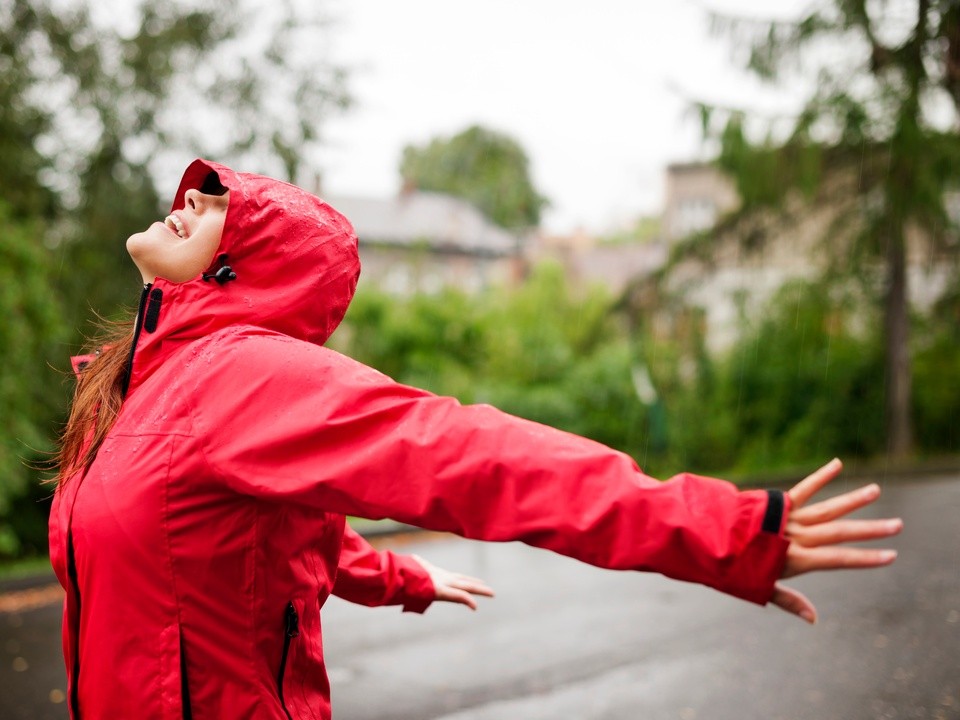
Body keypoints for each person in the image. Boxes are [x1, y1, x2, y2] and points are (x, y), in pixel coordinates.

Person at [50, 159, 902, 720]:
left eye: (216, 205)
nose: (188, 201)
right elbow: (243, 535)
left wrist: (722, 532)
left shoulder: (242, 378)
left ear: (250, 265)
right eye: (193, 194)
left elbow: (474, 455)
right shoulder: (129, 387)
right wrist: (399, 575)